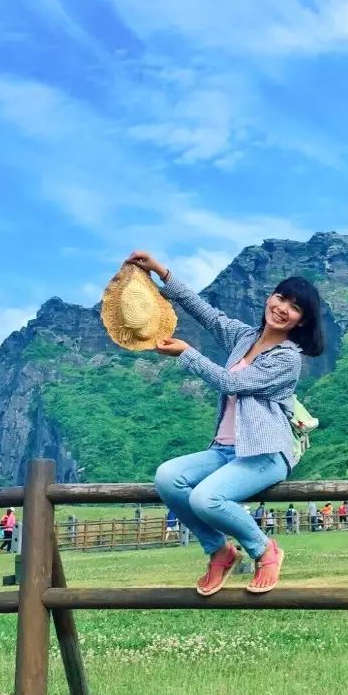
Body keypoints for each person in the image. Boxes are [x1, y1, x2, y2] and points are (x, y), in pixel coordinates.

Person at [135, 249, 325, 596]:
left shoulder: (287, 359)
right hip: (224, 450)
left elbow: (233, 383)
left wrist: (187, 354)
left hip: (265, 453)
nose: (283, 308)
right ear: (270, 298)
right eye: (281, 298)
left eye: (294, 308)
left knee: (207, 498)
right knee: (168, 478)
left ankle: (264, 549)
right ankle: (220, 551)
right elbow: (205, 312)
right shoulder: (244, 337)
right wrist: (162, 271)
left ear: (301, 321)